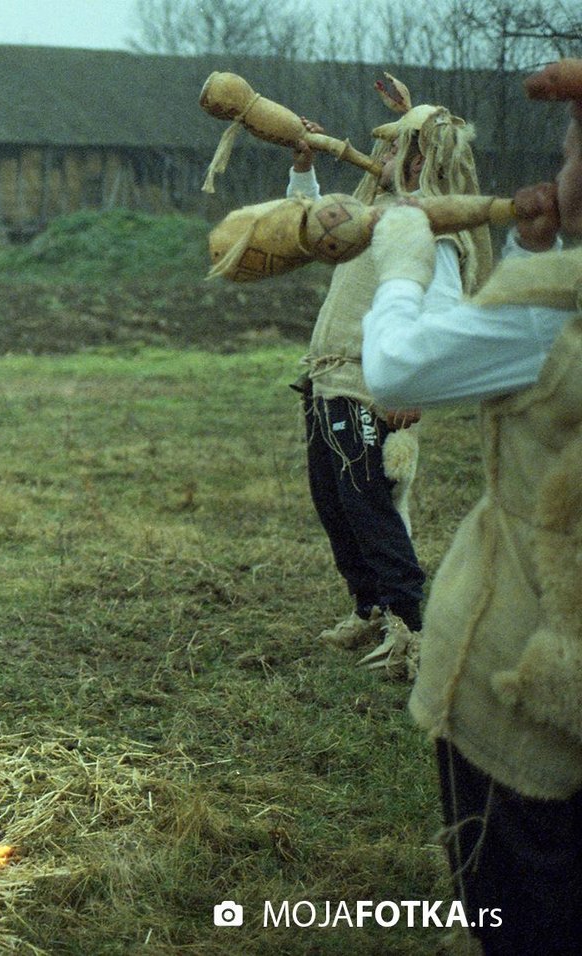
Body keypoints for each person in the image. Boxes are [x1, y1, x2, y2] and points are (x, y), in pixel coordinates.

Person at [359, 58, 582, 954]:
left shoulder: (555, 312)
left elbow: (401, 367)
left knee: (524, 909)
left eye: (570, 152)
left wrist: (410, 261)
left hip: (527, 685)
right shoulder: (550, 297)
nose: (559, 169)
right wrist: (529, 253)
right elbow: (508, 354)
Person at [285, 101, 491, 678]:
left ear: (422, 158)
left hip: (372, 388)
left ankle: (412, 629)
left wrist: (411, 386)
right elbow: (312, 227)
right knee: (335, 505)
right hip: (329, 380)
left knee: (370, 506)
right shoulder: (374, 211)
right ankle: (370, 608)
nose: (382, 154)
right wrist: (304, 167)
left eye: (396, 146)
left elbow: (442, 310)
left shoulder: (430, 226)